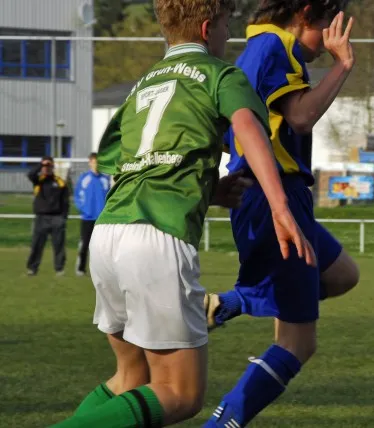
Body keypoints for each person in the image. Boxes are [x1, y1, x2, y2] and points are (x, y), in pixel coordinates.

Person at [50, 0, 314, 426]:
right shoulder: (221, 74)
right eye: (226, 25)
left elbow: (134, 164)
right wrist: (280, 207)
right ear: (208, 29)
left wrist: (206, 190)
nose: (229, 35)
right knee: (180, 394)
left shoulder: (143, 85)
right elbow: (248, 127)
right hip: (156, 238)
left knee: (130, 378)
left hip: (109, 233)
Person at [202, 2, 359, 426]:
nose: (328, 41)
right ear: (304, 14)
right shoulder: (275, 46)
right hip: (274, 197)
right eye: (326, 27)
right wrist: (342, 66)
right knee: (297, 342)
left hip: (274, 195)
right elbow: (301, 117)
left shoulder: (257, 51)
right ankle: (221, 423)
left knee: (342, 274)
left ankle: (229, 303)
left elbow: (233, 131)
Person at [26, 155, 69, 276]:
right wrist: (41, 165)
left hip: (57, 218)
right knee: (36, 244)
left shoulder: (60, 182)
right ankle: (32, 268)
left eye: (48, 165)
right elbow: (30, 174)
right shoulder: (38, 180)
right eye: (44, 165)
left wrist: (64, 217)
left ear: (53, 166)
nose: (46, 167)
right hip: (41, 217)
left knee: (59, 244)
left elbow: (65, 201)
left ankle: (59, 269)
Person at [73, 152, 111, 276]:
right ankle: (80, 269)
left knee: (101, 246)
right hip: (87, 218)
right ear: (90, 163)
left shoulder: (105, 180)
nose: (96, 165)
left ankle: (101, 271)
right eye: (94, 162)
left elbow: (109, 197)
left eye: (98, 162)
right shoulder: (84, 178)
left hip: (101, 219)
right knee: (85, 244)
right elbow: (77, 196)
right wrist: (84, 209)